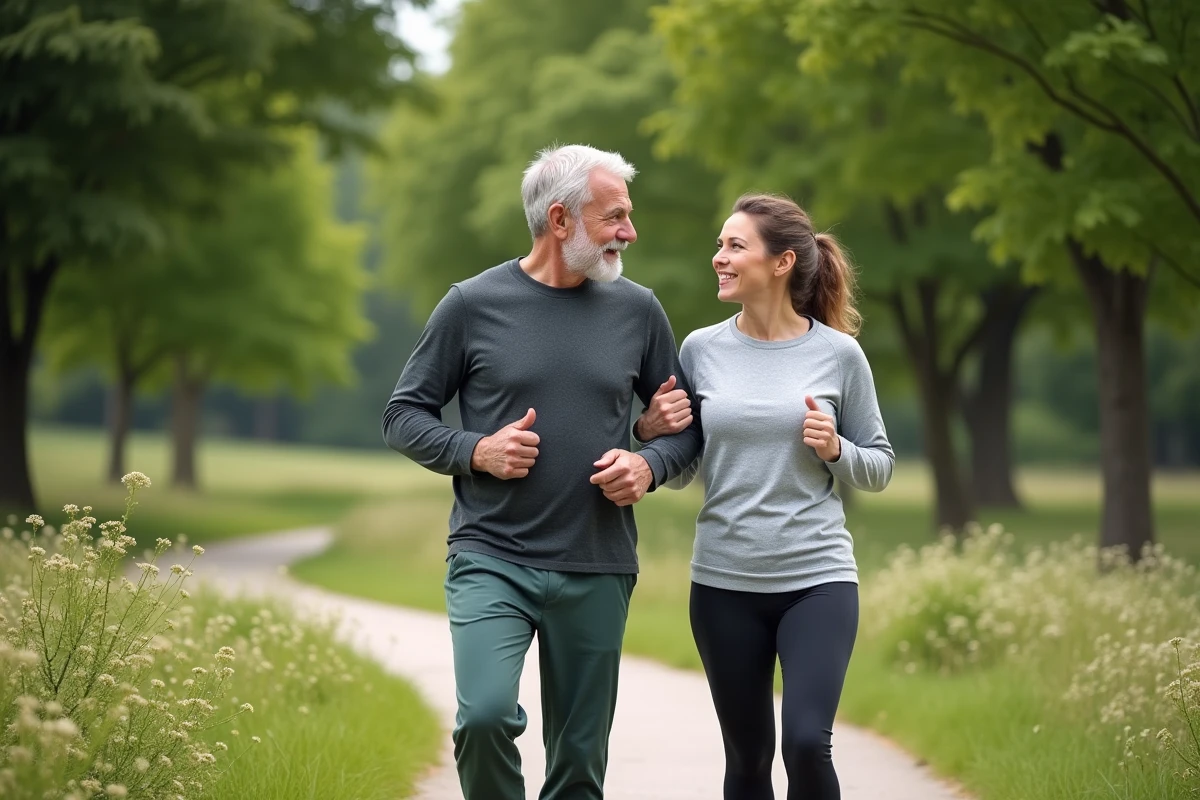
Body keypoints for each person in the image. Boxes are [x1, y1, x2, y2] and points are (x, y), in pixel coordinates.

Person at [381, 144, 702, 800]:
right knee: (486, 717)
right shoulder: (472, 304)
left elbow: (687, 429)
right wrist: (476, 451)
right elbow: (403, 414)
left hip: (599, 560)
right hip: (491, 555)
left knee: (580, 765)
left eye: (628, 217)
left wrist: (648, 463)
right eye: (615, 217)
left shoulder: (639, 311)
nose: (630, 233)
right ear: (560, 222)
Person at [636, 193, 895, 799]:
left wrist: (837, 450)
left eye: (734, 246)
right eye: (720, 245)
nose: (718, 258)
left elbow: (879, 466)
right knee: (748, 758)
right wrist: (647, 432)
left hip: (817, 578)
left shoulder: (838, 354)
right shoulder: (701, 349)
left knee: (807, 742)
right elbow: (681, 469)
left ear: (781, 263)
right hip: (724, 582)